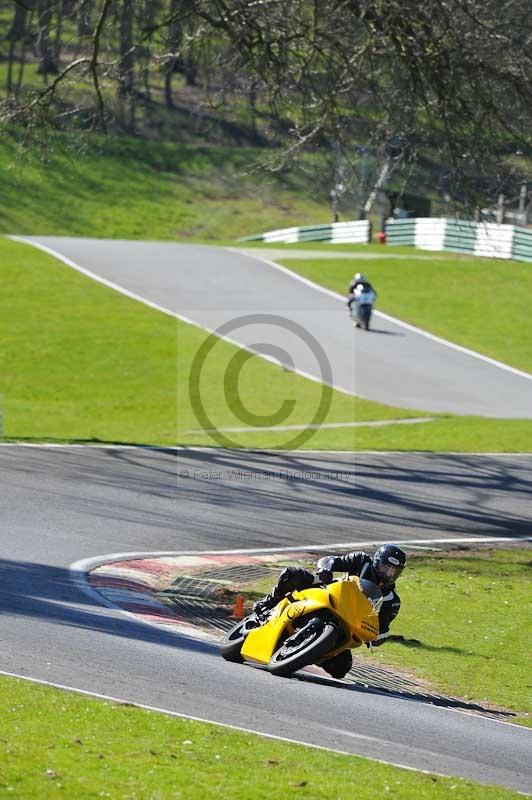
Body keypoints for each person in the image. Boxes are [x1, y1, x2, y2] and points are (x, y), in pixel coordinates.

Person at [253, 543, 407, 679]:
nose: (388, 574)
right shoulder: (361, 560)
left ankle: (311, 652)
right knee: (292, 574)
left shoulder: (392, 601)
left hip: (349, 623)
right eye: (385, 568)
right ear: (376, 561)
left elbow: (383, 627)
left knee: (342, 668)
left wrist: (378, 637)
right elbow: (330, 560)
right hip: (330, 594)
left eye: (394, 571)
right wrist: (325, 569)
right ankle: (267, 604)